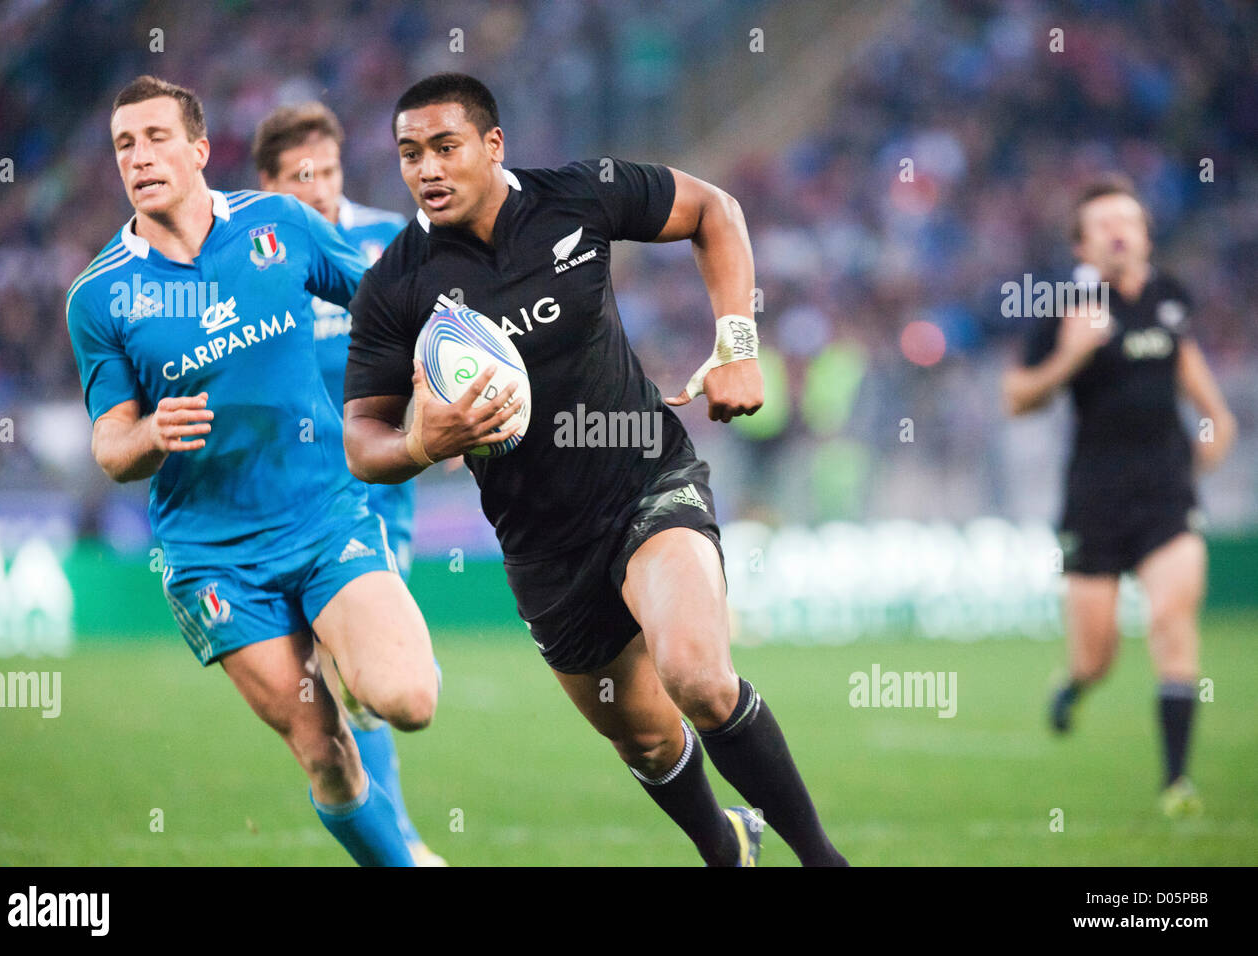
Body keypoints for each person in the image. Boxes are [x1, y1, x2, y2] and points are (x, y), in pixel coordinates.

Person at [343, 72, 849, 866]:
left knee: (700, 679)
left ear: (492, 144)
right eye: (410, 155)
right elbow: (362, 441)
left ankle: (825, 861)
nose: (427, 170)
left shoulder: (580, 196)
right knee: (648, 744)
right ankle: (726, 849)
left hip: (647, 484)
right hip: (544, 548)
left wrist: (738, 345)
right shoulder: (396, 286)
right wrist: (419, 444)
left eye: (445, 147)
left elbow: (716, 211)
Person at [66, 75, 438, 866]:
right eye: (125, 144)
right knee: (326, 754)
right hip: (214, 558)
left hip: (324, 516)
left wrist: (446, 362)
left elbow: (379, 304)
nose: (140, 156)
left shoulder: (279, 224)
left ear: (200, 149)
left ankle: (359, 666)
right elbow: (110, 446)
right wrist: (149, 436)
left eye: (158, 137)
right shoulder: (99, 297)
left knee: (409, 700)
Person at [1003, 175, 1237, 817]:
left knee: (1171, 619)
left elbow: (1188, 368)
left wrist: (1216, 423)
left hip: (1166, 494)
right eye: (1103, 224)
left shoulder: (1170, 296)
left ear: (1144, 234)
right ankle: (1075, 685)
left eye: (1128, 220)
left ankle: (1176, 783)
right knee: (1097, 655)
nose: (1117, 232)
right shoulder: (1062, 307)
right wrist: (1071, 356)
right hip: (1094, 500)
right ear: (1081, 245)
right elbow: (1017, 399)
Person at [253, 100, 442, 866]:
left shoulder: (385, 242)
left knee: (360, 678)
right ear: (268, 184)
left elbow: (428, 335)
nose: (322, 189)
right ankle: (397, 840)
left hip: (374, 490)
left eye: (329, 171)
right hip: (287, 496)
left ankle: (400, 841)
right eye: (304, 178)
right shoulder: (253, 256)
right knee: (337, 680)